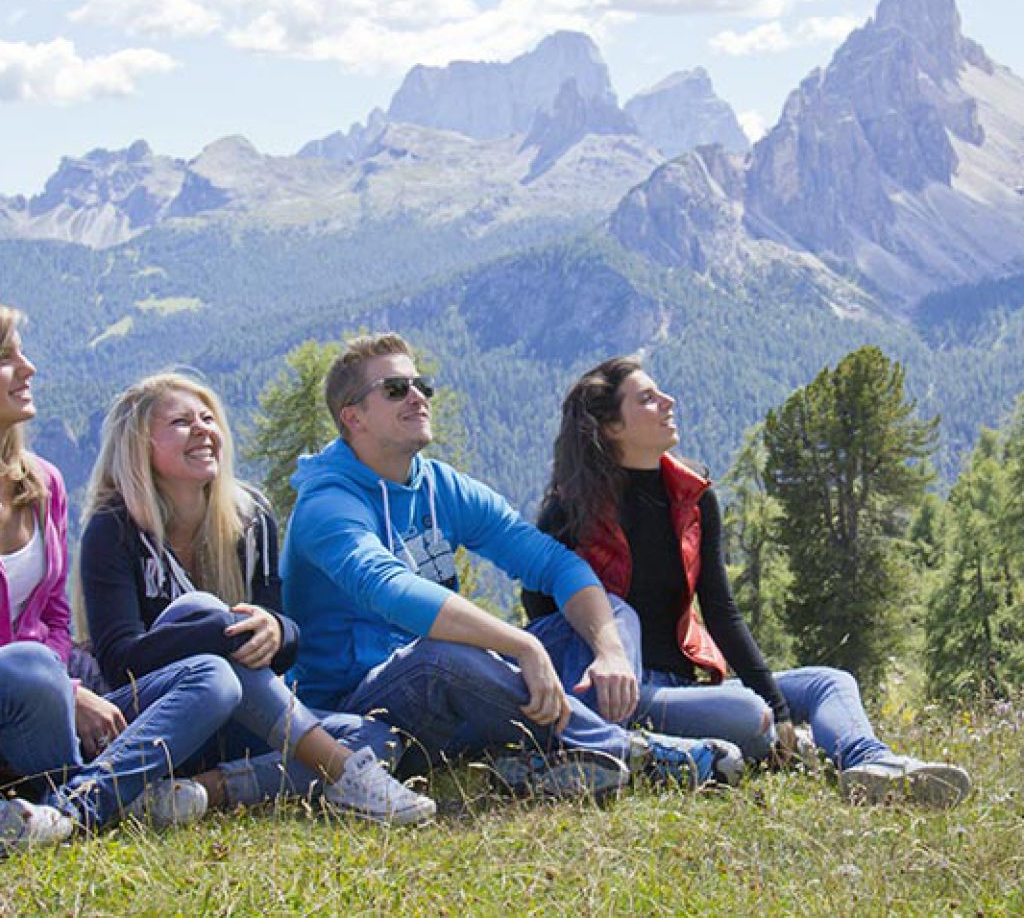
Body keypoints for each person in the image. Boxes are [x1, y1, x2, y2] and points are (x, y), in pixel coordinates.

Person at [281, 332, 742, 800]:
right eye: (396, 389)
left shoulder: (440, 486)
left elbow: (552, 563)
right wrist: (519, 644)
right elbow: (388, 588)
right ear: (353, 417)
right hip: (364, 709)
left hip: (458, 696)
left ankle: (550, 761)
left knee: (613, 613)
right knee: (442, 655)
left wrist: (610, 652)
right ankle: (629, 752)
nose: (418, 396)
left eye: (421, 385)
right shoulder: (328, 503)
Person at [523, 356, 972, 808]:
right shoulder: (568, 515)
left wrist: (779, 709)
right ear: (612, 427)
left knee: (828, 683)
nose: (668, 402)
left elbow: (719, 609)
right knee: (747, 713)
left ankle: (869, 763)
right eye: (647, 399)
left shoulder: (692, 498)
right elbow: (544, 621)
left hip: (684, 687)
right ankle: (651, 744)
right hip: (624, 695)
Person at [79, 371, 435, 825]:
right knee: (206, 617)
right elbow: (120, 663)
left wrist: (274, 629)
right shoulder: (115, 528)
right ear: (140, 445)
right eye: (182, 423)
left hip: (243, 717)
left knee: (378, 737)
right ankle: (346, 776)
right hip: (165, 718)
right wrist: (224, 631)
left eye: (208, 418)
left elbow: (285, 645)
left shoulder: (249, 517)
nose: (204, 430)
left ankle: (205, 791)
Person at [0, 306, 241, 854]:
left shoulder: (42, 483)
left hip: (57, 697)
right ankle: (109, 793)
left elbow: (55, 618)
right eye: (7, 358)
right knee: (30, 666)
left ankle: (69, 808)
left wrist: (71, 687)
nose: (29, 368)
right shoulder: (114, 526)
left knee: (213, 678)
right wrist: (65, 688)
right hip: (26, 687)